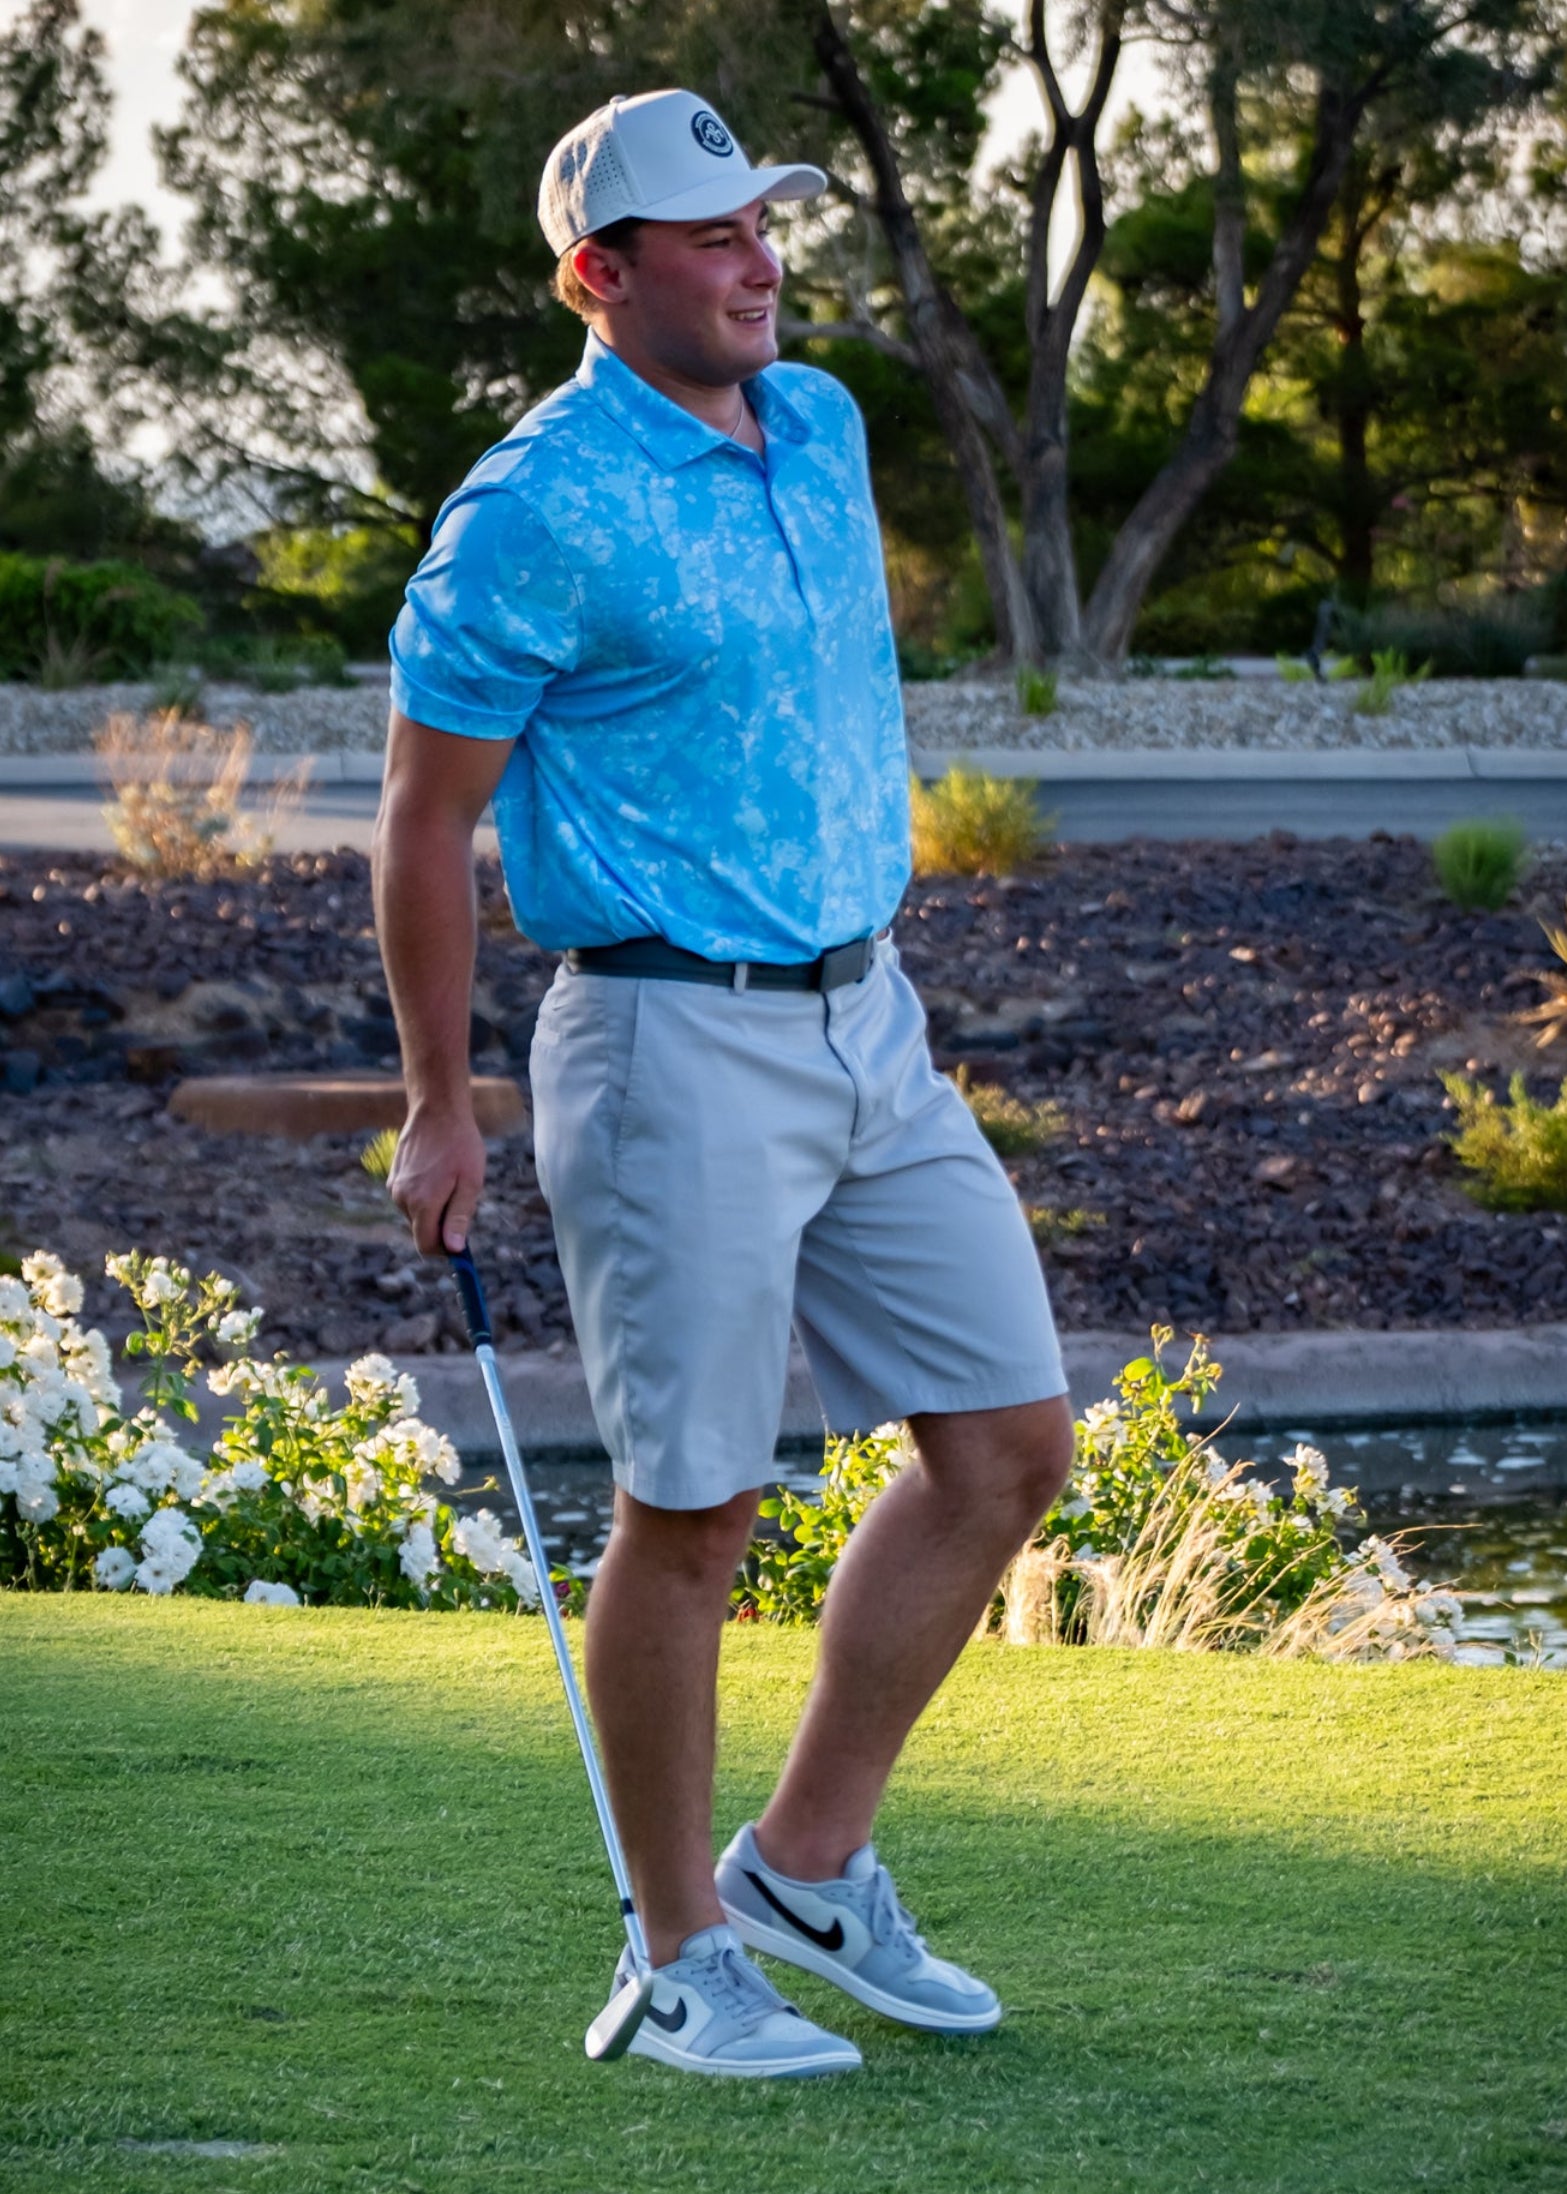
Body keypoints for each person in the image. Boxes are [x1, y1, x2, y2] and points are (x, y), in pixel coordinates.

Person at [373, 86, 1075, 2081]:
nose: (761, 257)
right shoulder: (529, 505)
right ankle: (677, 1949)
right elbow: (425, 825)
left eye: (768, 222)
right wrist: (441, 1100)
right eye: (713, 234)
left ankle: (803, 1865)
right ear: (599, 273)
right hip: (669, 1037)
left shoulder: (825, 420)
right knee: (693, 1509)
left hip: (874, 1017)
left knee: (1008, 1443)